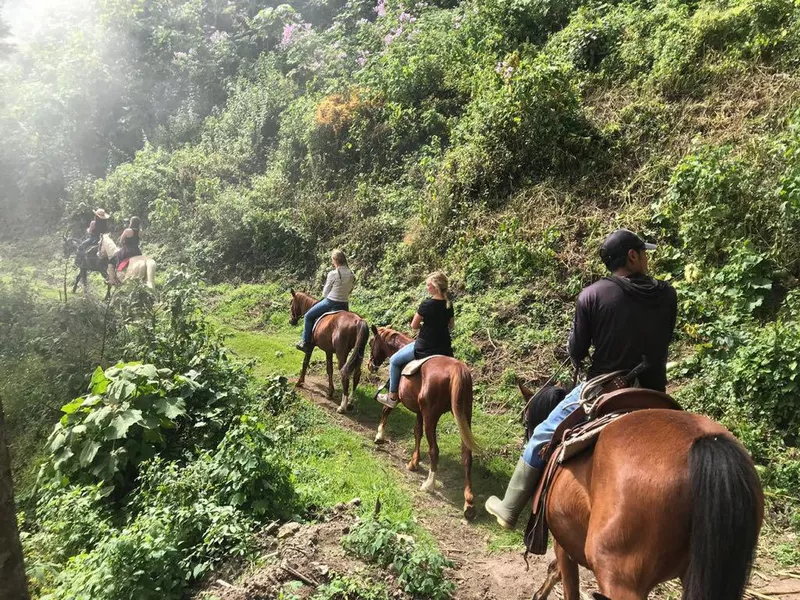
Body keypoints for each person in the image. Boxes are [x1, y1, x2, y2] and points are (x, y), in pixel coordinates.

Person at [485, 228, 678, 530]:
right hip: (655, 392)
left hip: (604, 388)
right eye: (644, 252)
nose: (646, 258)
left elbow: (576, 349)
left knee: (541, 436)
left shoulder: (592, 295)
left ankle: (509, 509)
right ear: (632, 255)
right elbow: (663, 338)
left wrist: (581, 352)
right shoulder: (668, 294)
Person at [376, 271, 455, 408]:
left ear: (435, 286)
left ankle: (392, 396)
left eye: (428, 285)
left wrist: (427, 326)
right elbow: (451, 326)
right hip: (444, 348)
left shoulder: (426, 305)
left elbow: (414, 325)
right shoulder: (449, 305)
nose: (427, 287)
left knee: (394, 360)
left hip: (425, 346)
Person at [296, 249, 356, 351]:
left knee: (308, 316)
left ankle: (305, 342)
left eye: (332, 260)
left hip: (330, 302)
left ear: (335, 260)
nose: (332, 262)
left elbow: (325, 293)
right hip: (344, 305)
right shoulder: (351, 274)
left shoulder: (333, 274)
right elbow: (350, 290)